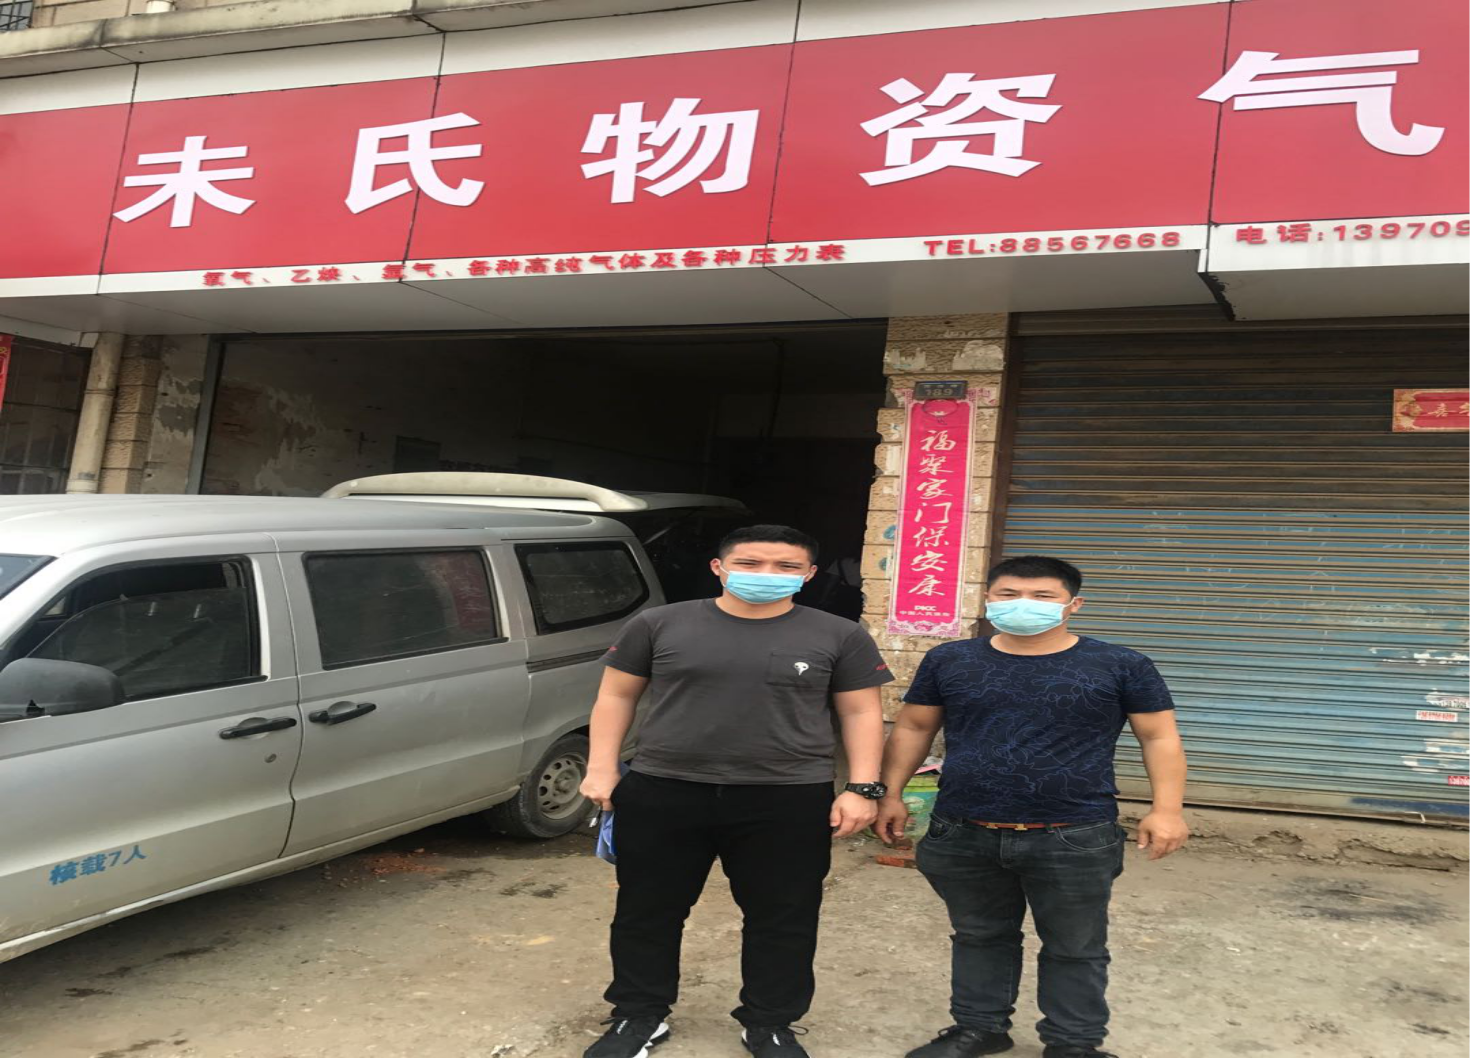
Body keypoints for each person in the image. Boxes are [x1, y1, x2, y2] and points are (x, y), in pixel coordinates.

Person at [580, 524, 893, 1059]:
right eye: (750, 563)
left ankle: (770, 1022)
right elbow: (616, 696)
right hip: (666, 788)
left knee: (784, 916)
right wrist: (601, 767)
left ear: (808, 575)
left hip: (787, 796)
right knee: (647, 910)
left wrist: (862, 787)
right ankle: (638, 1013)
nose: (767, 574)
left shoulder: (839, 634)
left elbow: (861, 711)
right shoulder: (659, 623)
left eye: (786, 566)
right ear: (719, 567)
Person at [877, 555, 1188, 1060]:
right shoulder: (951, 660)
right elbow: (914, 727)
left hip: (1073, 831)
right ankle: (979, 1028)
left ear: (1073, 605)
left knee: (1075, 945)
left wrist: (1167, 809)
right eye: (1008, 594)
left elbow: (1159, 737)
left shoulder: (1121, 664)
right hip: (965, 828)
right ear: (988, 599)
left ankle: (1073, 1044)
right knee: (979, 935)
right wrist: (890, 793)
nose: (1024, 604)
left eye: (1042, 596)